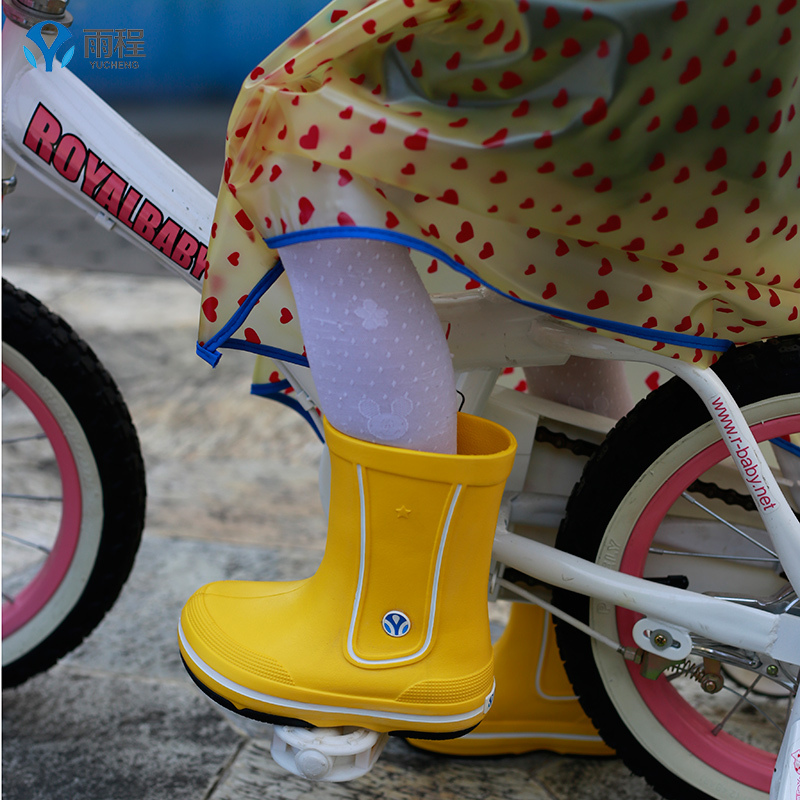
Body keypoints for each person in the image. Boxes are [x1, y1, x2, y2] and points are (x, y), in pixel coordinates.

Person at [180, 0, 799, 743]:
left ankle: (389, 634)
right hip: (722, 55)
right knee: (559, 229)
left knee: (308, 135)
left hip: (688, 42)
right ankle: (568, 673)